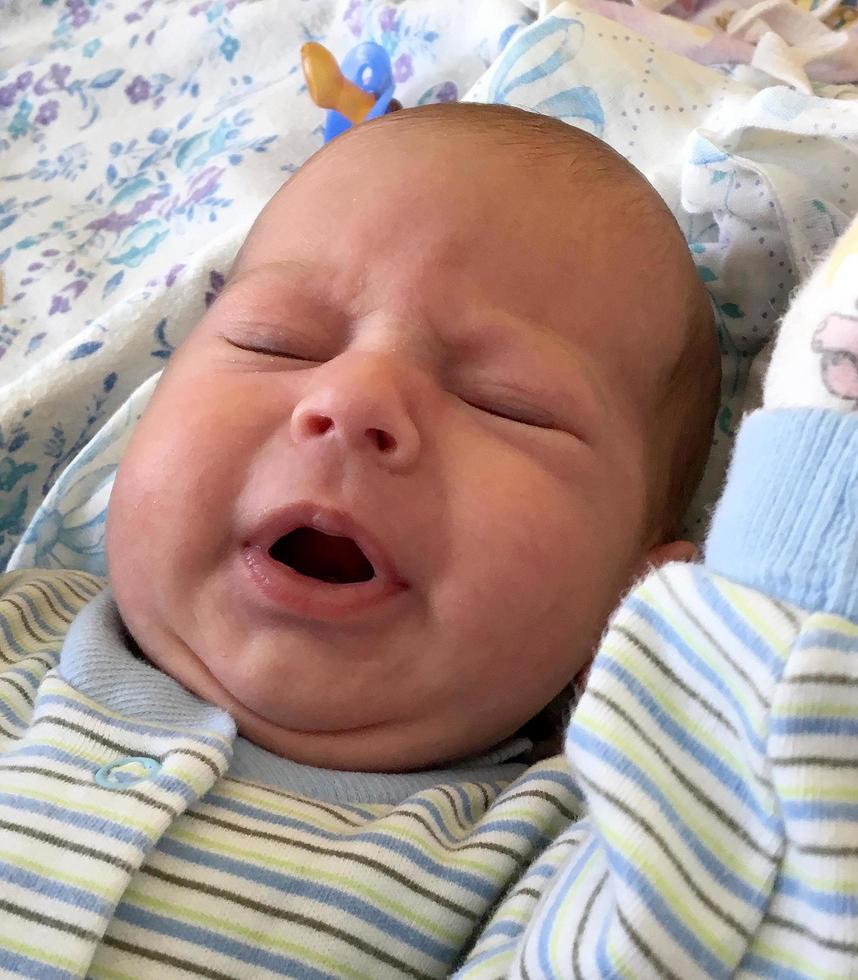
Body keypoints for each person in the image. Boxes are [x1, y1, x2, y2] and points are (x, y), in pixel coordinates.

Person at [0, 102, 720, 977]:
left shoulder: (553, 862)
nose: (355, 399)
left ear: (635, 612)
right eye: (277, 342)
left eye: (505, 403)